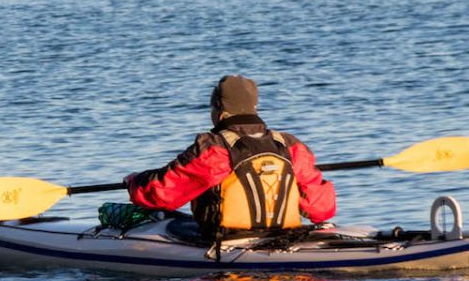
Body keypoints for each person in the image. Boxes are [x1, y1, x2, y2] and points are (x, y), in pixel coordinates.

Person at [125, 75, 336, 239]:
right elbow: (323, 208)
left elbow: (162, 194)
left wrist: (135, 182)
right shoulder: (291, 146)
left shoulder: (214, 149)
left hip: (227, 245)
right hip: (285, 238)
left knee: (169, 222)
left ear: (221, 113)